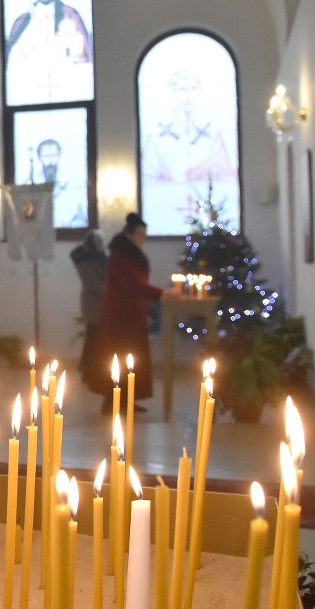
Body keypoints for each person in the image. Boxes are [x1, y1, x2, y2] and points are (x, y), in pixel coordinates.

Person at [88, 214, 168, 412]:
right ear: (129, 234)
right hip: (120, 316)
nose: (143, 239)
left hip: (132, 314)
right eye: (140, 234)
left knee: (131, 358)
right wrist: (162, 293)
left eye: (145, 235)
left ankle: (127, 399)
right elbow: (134, 284)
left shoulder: (129, 253)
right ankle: (112, 401)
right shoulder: (120, 255)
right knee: (118, 356)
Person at [4, 0, 93, 104]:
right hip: (32, 88)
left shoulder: (70, 15)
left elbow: (83, 53)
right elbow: (14, 57)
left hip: (67, 86)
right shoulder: (23, 20)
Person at [141, 68, 237, 184]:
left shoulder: (211, 130)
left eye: (193, 89)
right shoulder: (157, 134)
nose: (188, 96)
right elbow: (148, 177)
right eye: (182, 90)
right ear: (173, 92)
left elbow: (224, 173)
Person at [70, 229, 107, 382]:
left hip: (98, 302)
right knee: (93, 339)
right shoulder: (86, 260)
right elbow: (92, 283)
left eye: (101, 241)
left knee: (95, 339)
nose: (100, 244)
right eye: (97, 241)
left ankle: (92, 371)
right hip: (93, 303)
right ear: (90, 242)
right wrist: (111, 293)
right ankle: (88, 372)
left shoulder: (99, 257)